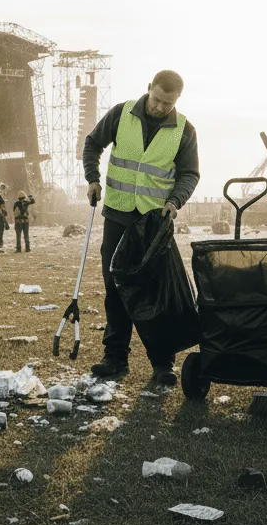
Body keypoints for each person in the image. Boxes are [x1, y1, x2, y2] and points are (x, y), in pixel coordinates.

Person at [83, 70, 200, 385]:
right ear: (149, 89)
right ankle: (115, 358)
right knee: (115, 287)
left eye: (168, 103)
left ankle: (163, 364)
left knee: (156, 293)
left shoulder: (184, 130)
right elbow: (92, 144)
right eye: (157, 99)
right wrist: (92, 178)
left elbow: (190, 174)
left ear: (177, 100)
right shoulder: (122, 113)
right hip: (118, 215)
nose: (160, 107)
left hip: (154, 223)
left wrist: (175, 200)